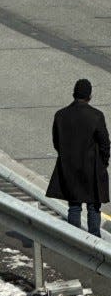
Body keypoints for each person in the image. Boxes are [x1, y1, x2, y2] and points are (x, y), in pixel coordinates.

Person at [46, 78, 110, 237]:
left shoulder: (60, 115)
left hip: (69, 167)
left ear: (74, 94)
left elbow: (56, 142)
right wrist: (103, 162)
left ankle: (75, 238)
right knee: (93, 206)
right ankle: (94, 240)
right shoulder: (96, 116)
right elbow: (105, 143)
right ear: (89, 96)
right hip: (92, 167)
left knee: (74, 206)